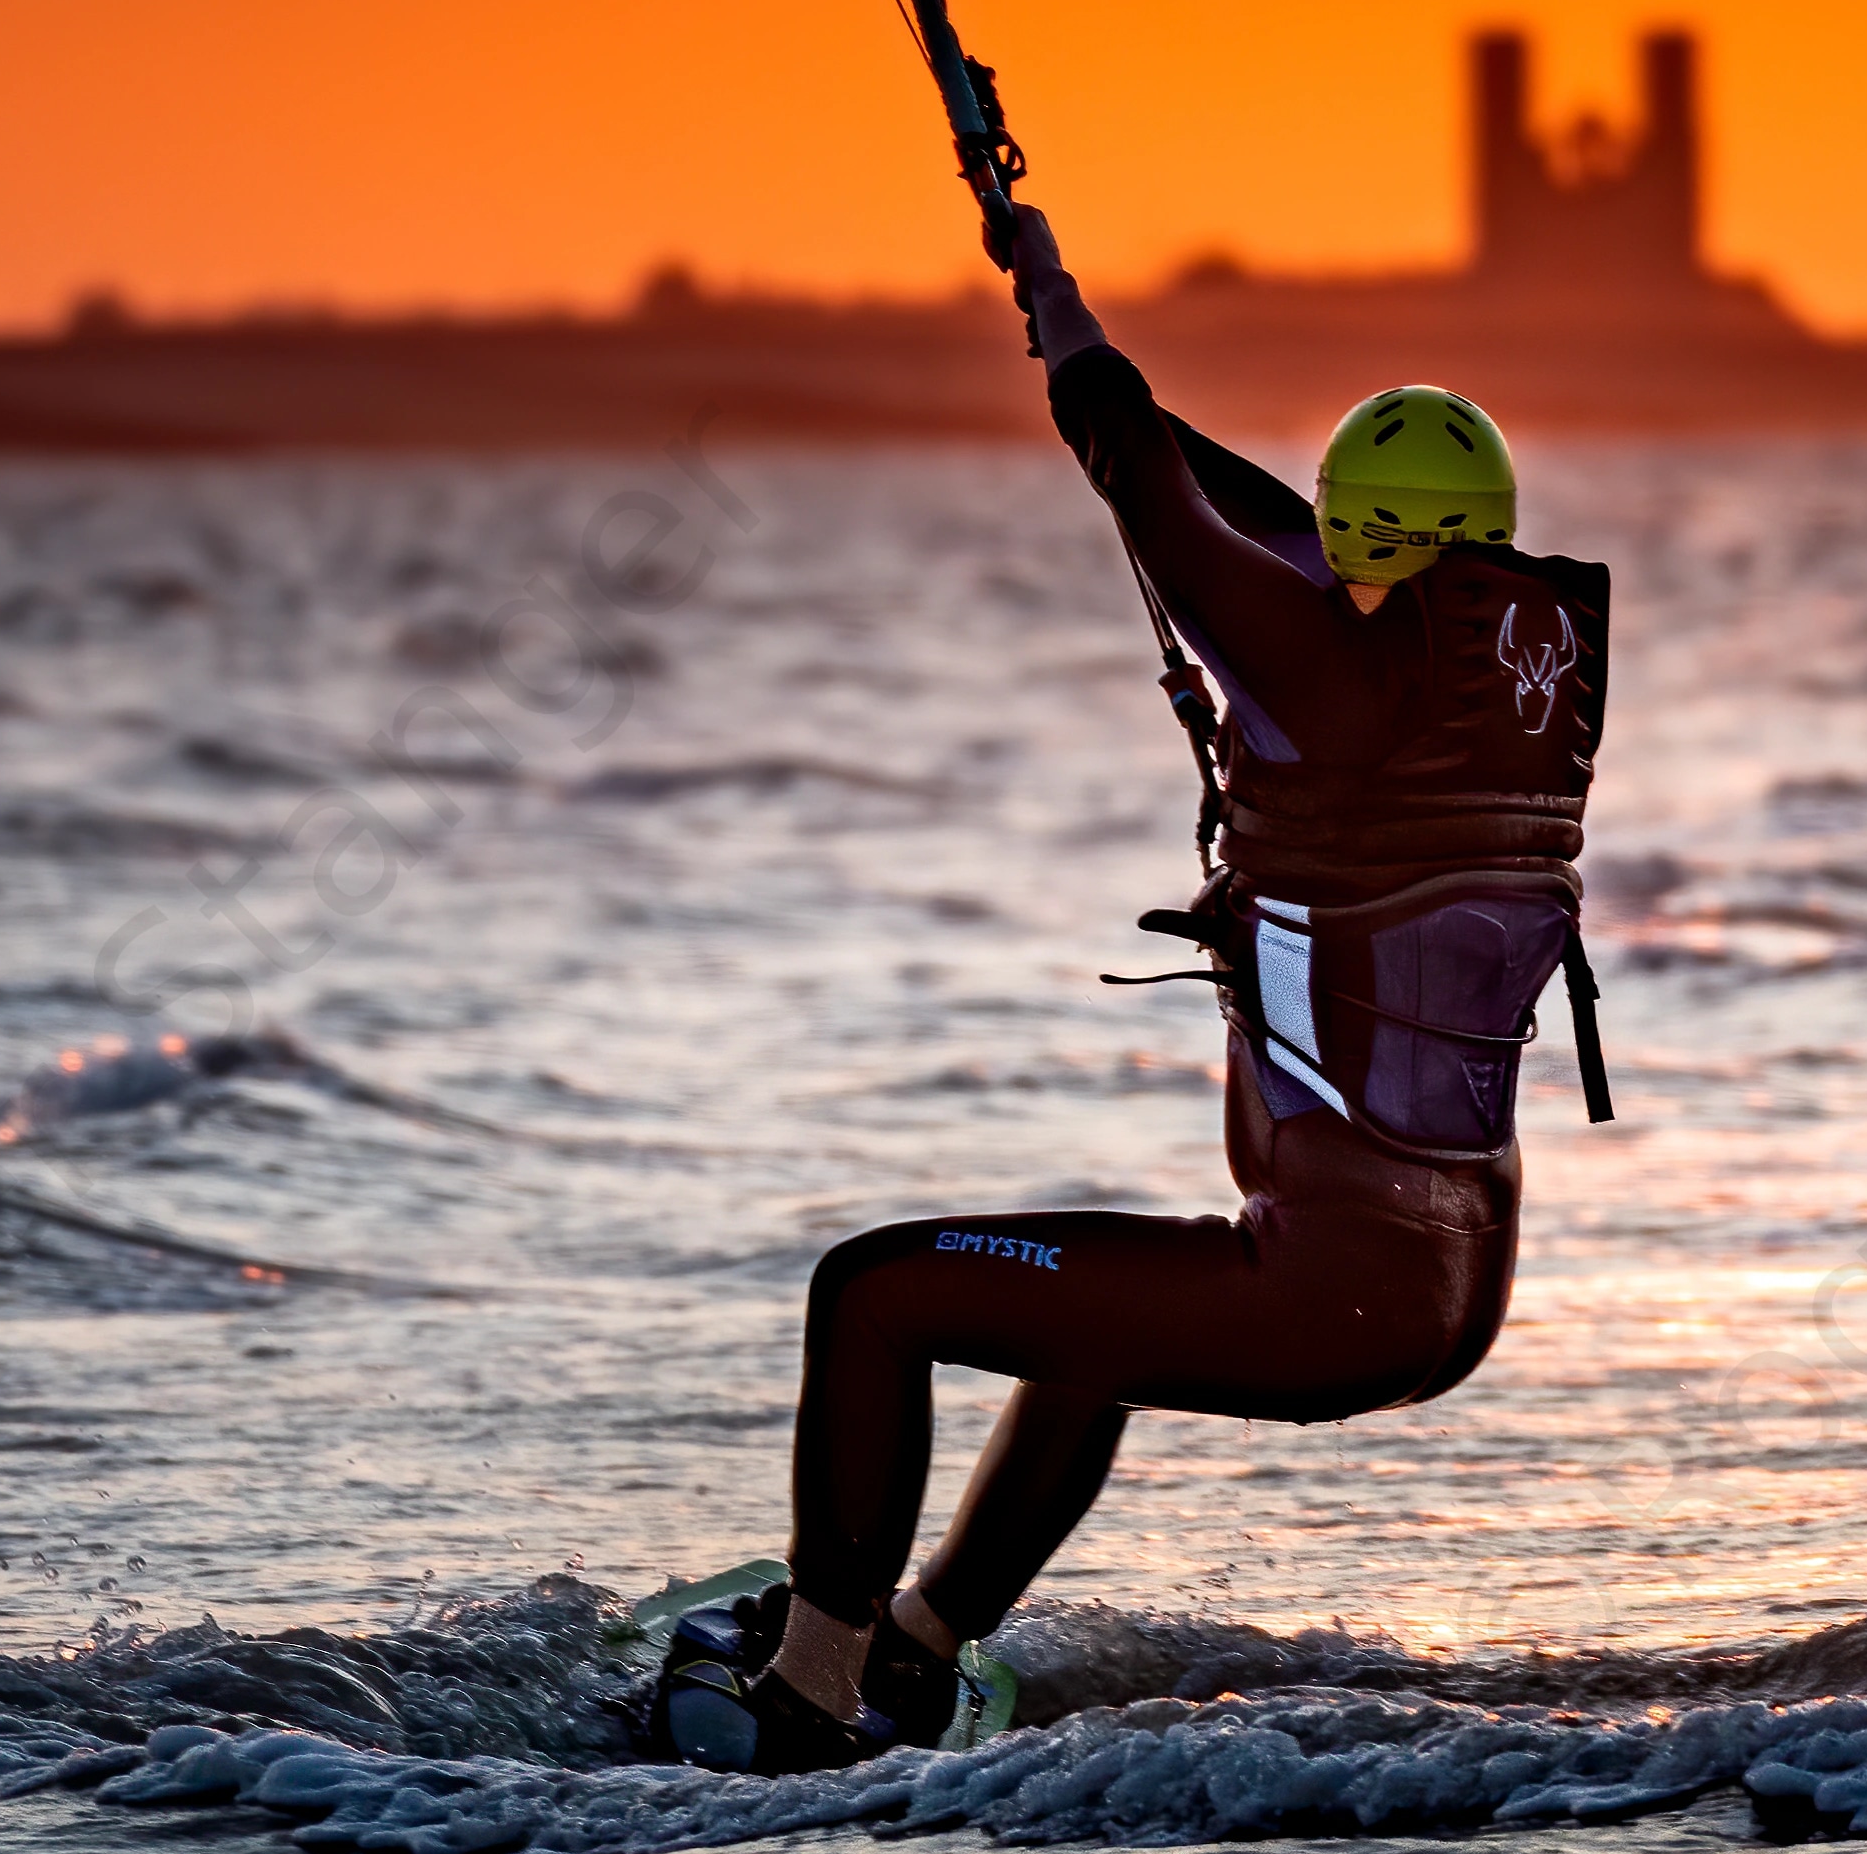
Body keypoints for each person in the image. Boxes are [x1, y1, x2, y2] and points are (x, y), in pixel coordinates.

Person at [665, 199, 1610, 1771]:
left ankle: (811, 1696)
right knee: (1076, 1321)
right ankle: (916, 1650)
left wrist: (1048, 292)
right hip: (1452, 1281)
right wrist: (1106, 380)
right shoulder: (1518, 678)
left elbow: (1154, 494)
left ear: (1352, 538)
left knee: (874, 1292)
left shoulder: (1315, 671)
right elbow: (1229, 504)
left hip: (1339, 1293)